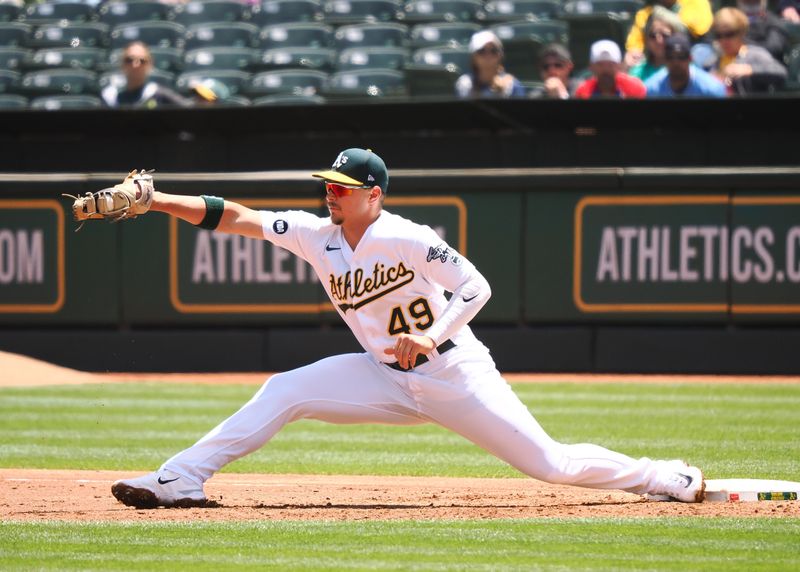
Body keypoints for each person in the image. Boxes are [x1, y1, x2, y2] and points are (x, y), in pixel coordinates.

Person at [109, 147, 705, 510]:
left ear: (374, 195)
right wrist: (156, 199)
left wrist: (433, 333)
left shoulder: (407, 236)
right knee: (284, 389)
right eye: (327, 185)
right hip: (383, 376)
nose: (329, 194)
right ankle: (180, 479)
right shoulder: (318, 236)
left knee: (550, 464)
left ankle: (659, 477)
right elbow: (234, 216)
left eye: (341, 188)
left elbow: (477, 286)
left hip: (452, 371)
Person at [708, 8, 787, 94]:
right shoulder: (714, 60)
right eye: (719, 36)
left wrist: (749, 70)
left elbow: (781, 72)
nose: (724, 40)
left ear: (741, 33)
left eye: (729, 34)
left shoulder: (755, 54)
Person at [624, 0, 714, 69]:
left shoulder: (697, 3)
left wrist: (667, 16)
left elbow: (700, 29)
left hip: (689, 54)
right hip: (657, 60)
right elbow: (635, 43)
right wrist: (634, 51)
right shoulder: (645, 13)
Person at [101, 42, 188, 108]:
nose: (135, 65)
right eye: (129, 60)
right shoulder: (110, 97)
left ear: (149, 66)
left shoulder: (159, 95)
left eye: (142, 61)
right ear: (122, 65)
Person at [645, 34, 727, 96]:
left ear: (690, 59)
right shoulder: (652, 90)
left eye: (681, 57)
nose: (676, 62)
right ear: (665, 59)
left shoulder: (712, 89)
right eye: (670, 57)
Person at [455, 30, 525, 98]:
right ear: (473, 57)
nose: (488, 56)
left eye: (493, 51)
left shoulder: (512, 86)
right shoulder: (464, 85)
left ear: (500, 56)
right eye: (482, 51)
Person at [629, 6, 689, 82]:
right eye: (653, 36)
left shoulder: (689, 70)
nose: (659, 41)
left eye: (665, 35)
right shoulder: (637, 73)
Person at [575, 40, 647, 98]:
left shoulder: (634, 88)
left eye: (611, 65)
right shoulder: (583, 92)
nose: (606, 69)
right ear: (591, 67)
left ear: (619, 66)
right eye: (600, 65)